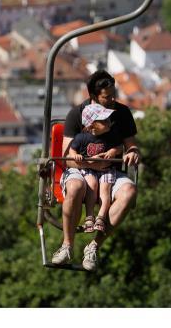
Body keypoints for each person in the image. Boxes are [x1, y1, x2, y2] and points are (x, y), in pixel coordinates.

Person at [52, 70, 140, 271]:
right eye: (107, 97)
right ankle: (67, 245)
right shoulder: (77, 114)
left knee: (130, 192)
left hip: (110, 172)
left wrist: (132, 153)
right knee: (74, 187)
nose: (112, 99)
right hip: (81, 171)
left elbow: (130, 145)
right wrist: (92, 165)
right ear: (93, 97)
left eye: (113, 94)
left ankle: (93, 246)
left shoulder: (122, 113)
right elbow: (68, 158)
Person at [66, 103, 123, 234]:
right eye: (104, 120)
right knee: (91, 185)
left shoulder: (110, 135)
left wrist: (113, 151)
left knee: (105, 189)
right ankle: (89, 216)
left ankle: (101, 217)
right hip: (90, 169)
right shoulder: (81, 138)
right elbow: (72, 151)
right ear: (91, 125)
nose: (109, 122)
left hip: (106, 169)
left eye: (108, 119)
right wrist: (76, 156)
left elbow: (120, 147)